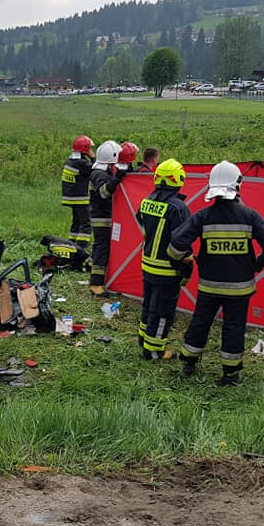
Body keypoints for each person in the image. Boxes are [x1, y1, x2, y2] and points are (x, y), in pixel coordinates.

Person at [168, 160, 264, 386]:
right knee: (234, 327)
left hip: (208, 286)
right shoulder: (249, 216)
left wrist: (182, 261)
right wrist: (261, 263)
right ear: (238, 185)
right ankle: (230, 374)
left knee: (200, 322)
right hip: (240, 287)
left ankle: (189, 363)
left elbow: (176, 245)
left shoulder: (203, 216)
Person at [136, 159, 191, 361]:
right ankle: (154, 351)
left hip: (147, 265)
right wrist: (187, 267)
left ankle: (143, 339)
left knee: (149, 304)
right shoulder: (178, 208)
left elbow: (141, 223)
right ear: (179, 179)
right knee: (162, 312)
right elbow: (183, 242)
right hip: (167, 269)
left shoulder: (147, 201)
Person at [88, 140, 127, 296]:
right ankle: (96, 284)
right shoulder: (98, 174)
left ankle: (103, 279)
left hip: (107, 217)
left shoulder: (104, 172)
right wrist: (116, 179)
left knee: (104, 248)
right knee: (101, 248)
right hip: (101, 218)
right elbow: (104, 193)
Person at [61, 135, 94, 247]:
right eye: (89, 148)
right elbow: (96, 169)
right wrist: (93, 157)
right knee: (86, 223)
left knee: (76, 222)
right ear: (85, 149)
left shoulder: (69, 161)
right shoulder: (82, 163)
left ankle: (71, 244)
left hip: (71, 197)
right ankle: (81, 247)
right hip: (80, 199)